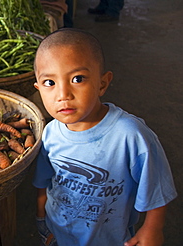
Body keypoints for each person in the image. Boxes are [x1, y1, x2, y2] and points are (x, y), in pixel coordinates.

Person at [32, 28, 177, 246]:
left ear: (102, 83)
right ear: (38, 89)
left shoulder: (130, 135)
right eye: (50, 83)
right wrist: (43, 219)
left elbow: (157, 187)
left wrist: (152, 228)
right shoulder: (50, 132)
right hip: (58, 233)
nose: (63, 95)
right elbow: (45, 181)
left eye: (77, 79)